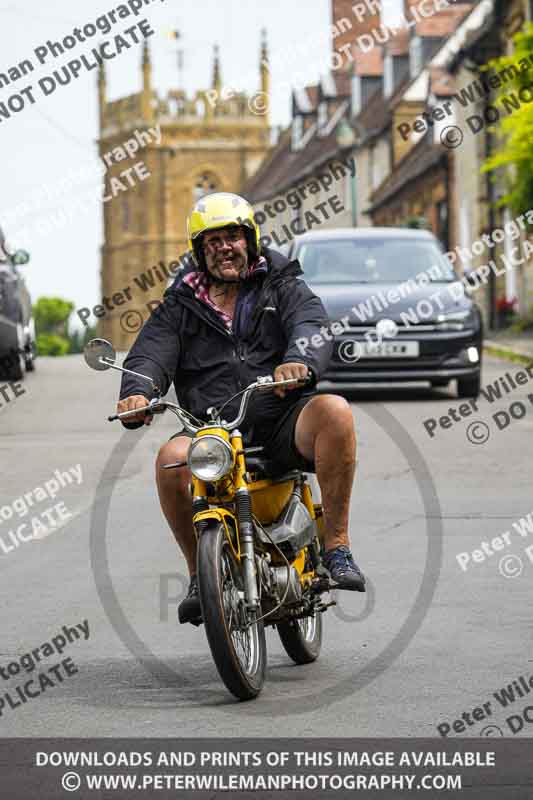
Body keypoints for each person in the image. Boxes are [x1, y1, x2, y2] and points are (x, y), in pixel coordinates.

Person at [117, 192, 365, 624]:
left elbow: (310, 325)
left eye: (232, 236)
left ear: (248, 239)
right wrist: (137, 391)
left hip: (281, 416)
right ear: (200, 251)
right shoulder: (180, 304)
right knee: (169, 461)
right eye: (212, 241)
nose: (224, 248)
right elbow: (150, 353)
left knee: (336, 413)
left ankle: (337, 546)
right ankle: (200, 573)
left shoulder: (281, 283)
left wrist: (299, 362)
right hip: (211, 429)